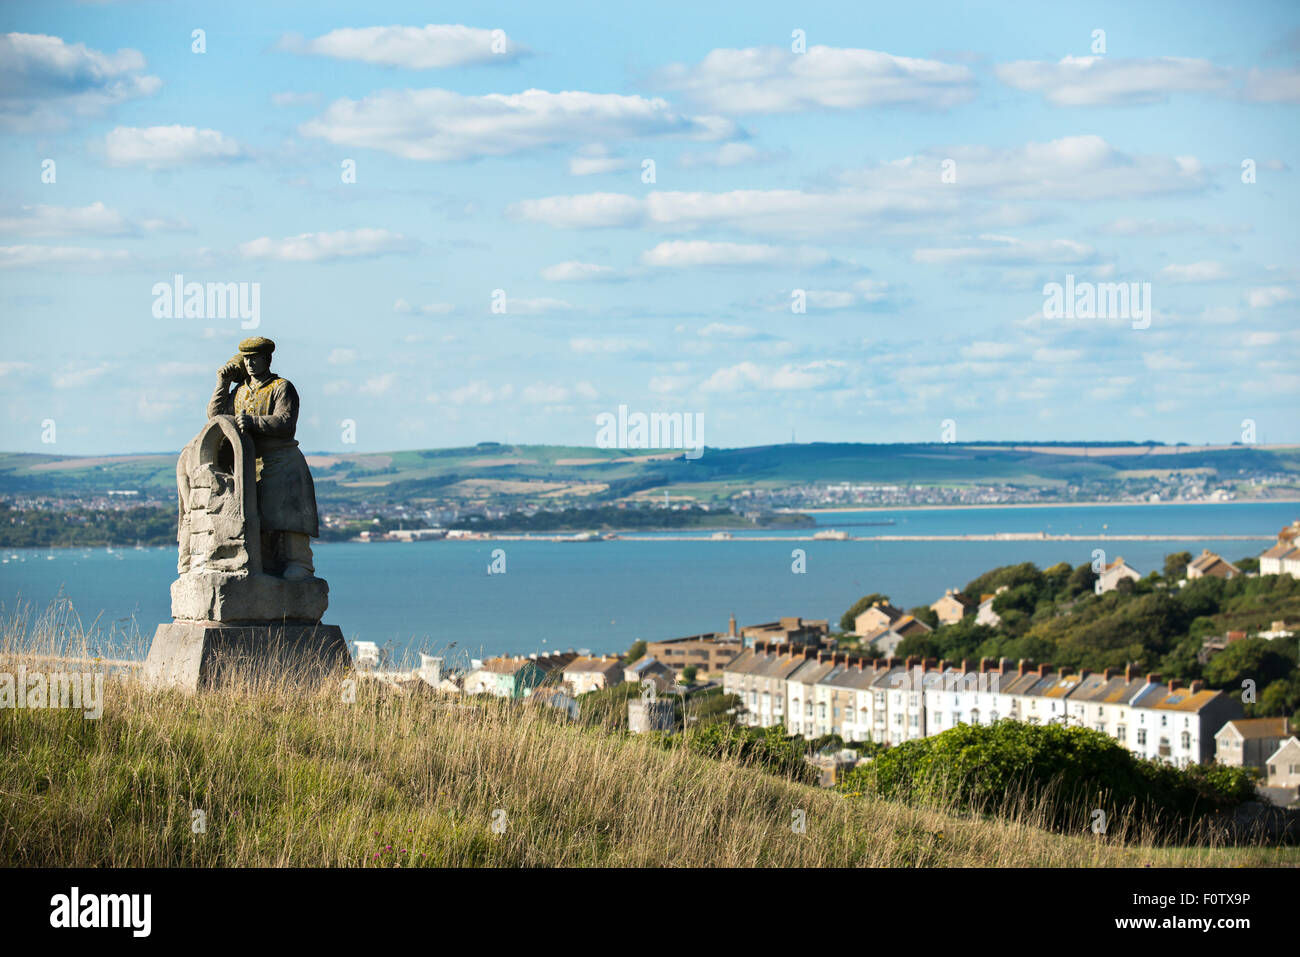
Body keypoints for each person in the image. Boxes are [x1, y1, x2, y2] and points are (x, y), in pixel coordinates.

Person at [208, 336, 319, 581]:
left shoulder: (281, 387)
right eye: (246, 359)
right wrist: (222, 384)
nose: (250, 363)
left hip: (282, 462)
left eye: (255, 358)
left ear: (267, 359)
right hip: (249, 465)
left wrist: (255, 422)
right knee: (258, 519)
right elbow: (216, 418)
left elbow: (286, 422)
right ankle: (267, 565)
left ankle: (298, 562)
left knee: (288, 515)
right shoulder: (239, 392)